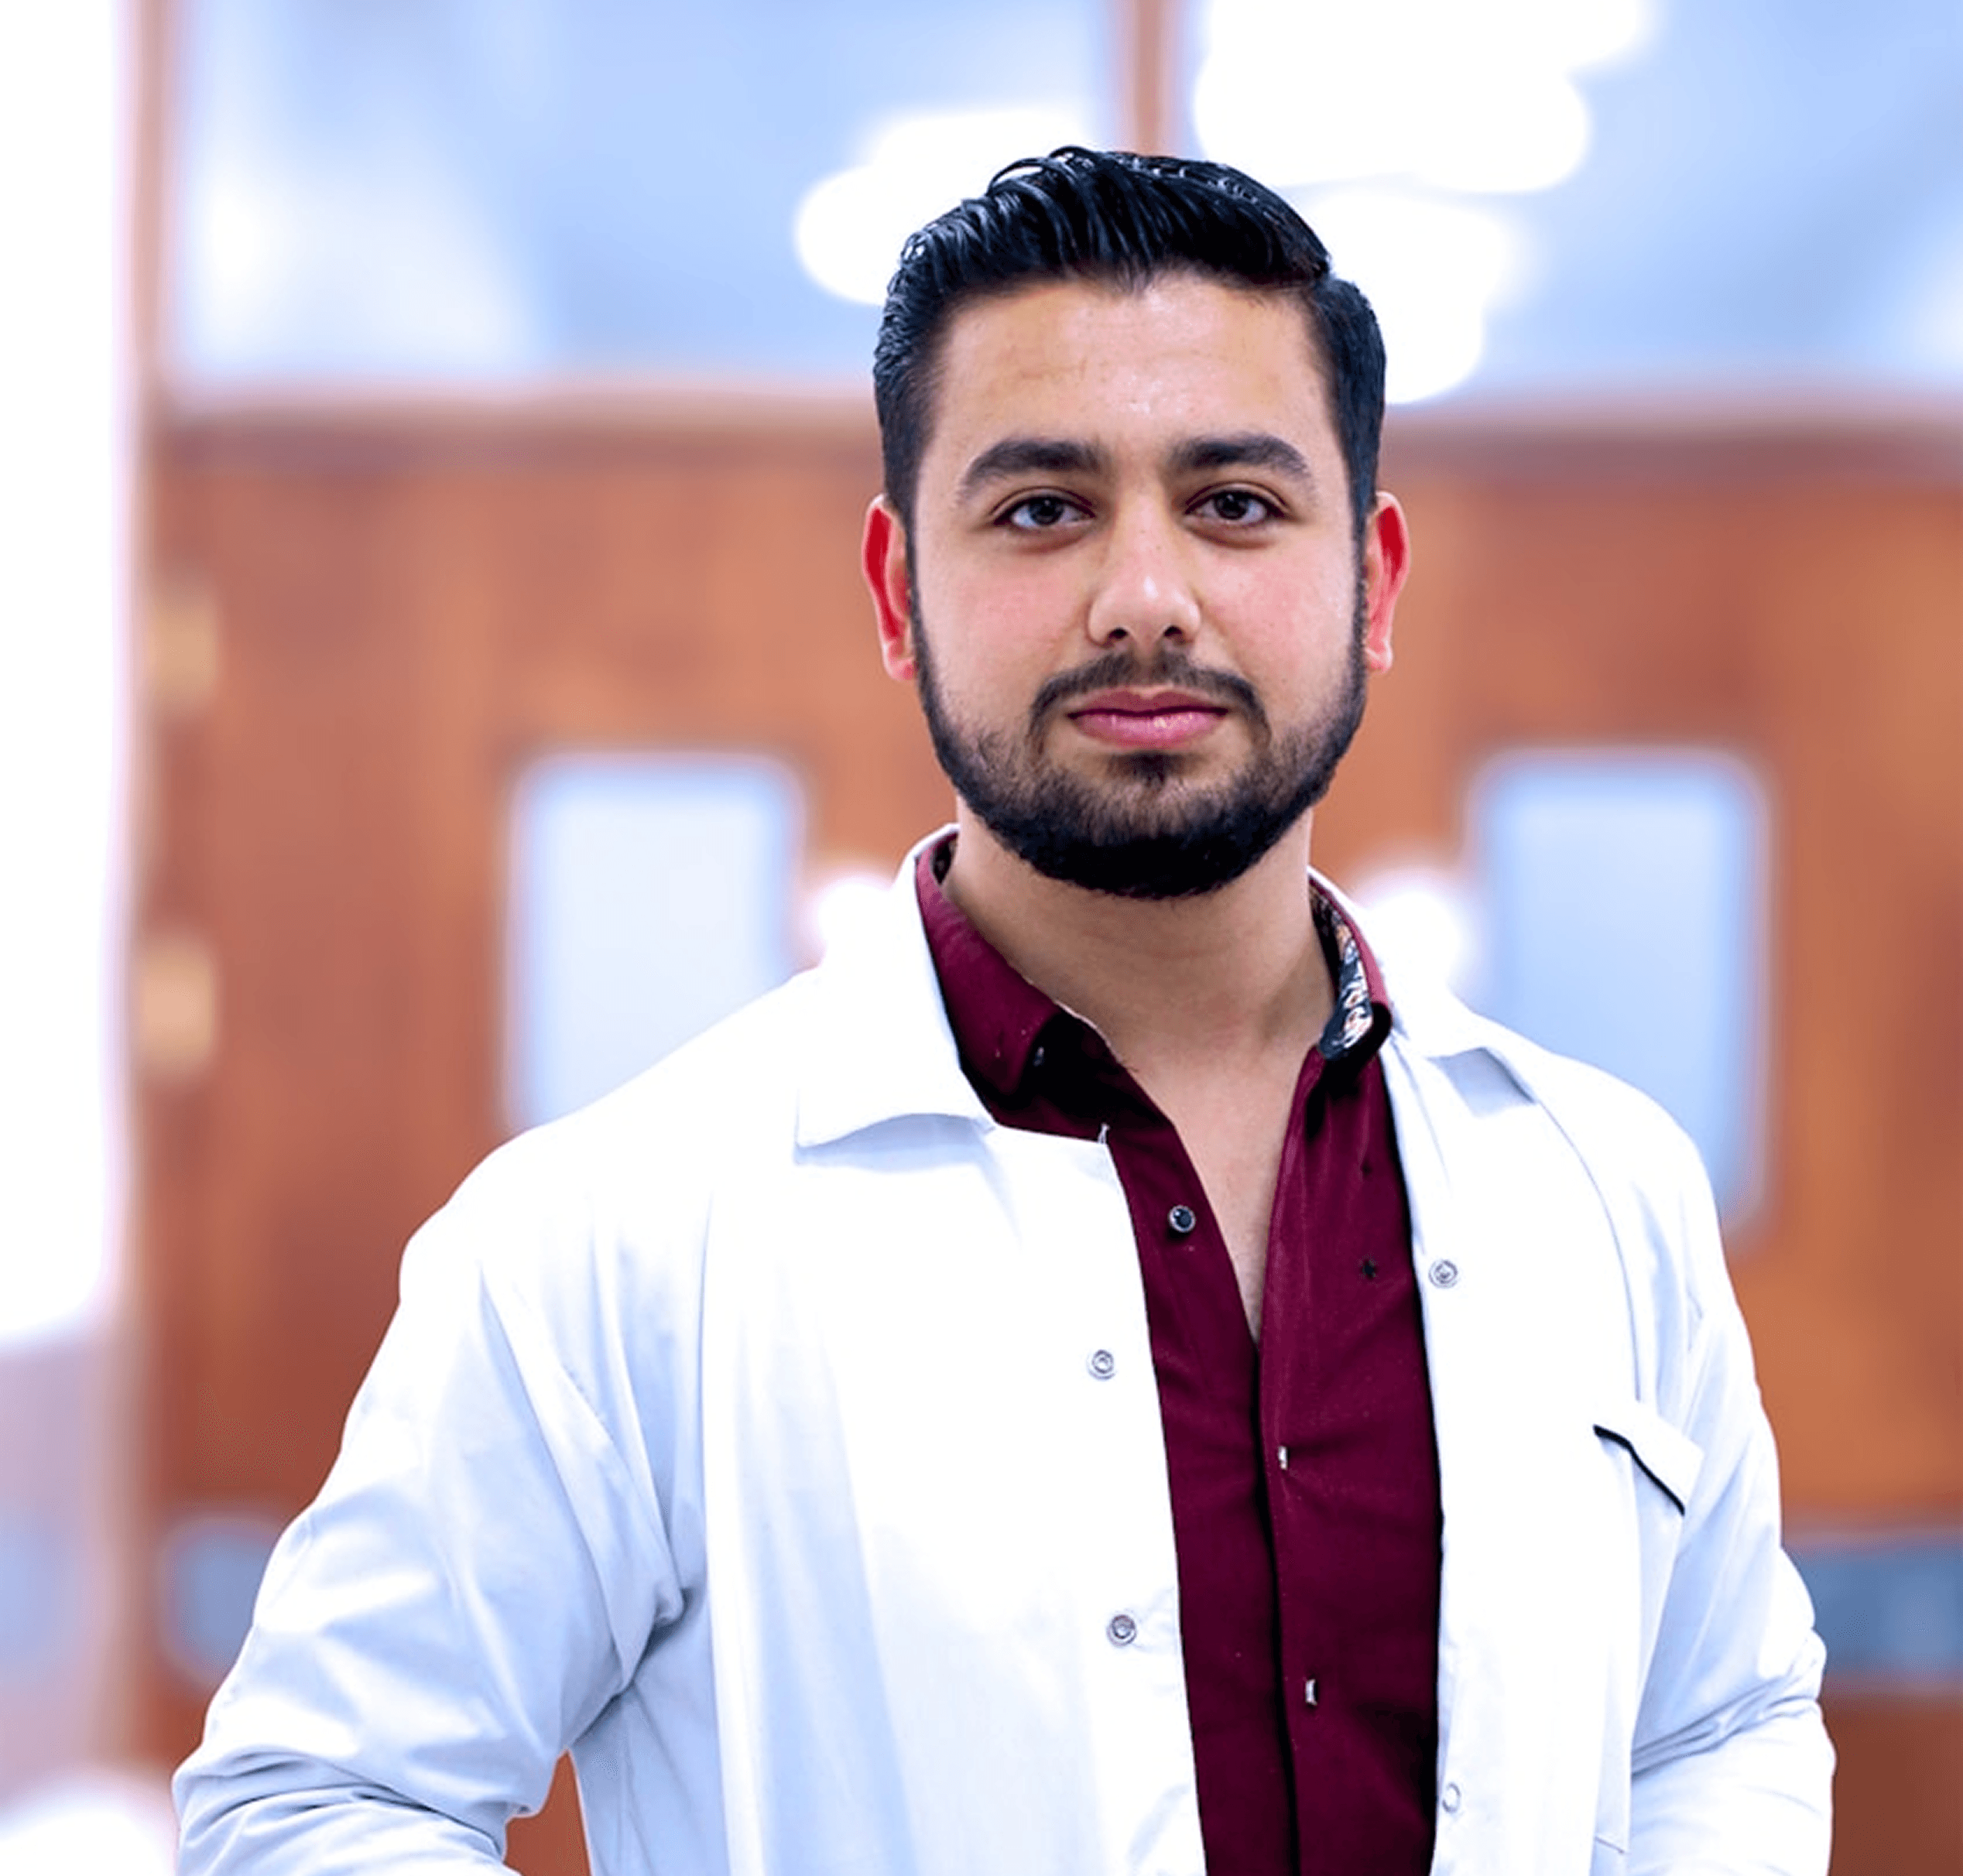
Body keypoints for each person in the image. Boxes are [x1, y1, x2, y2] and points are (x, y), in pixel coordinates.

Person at [174, 149, 1831, 1875]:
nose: (1144, 597)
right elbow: (313, 1805)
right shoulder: (609, 1242)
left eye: (1234, 505)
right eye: (1042, 508)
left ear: (1372, 583)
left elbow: (1712, 1717)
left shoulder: (1601, 1190)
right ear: (898, 593)